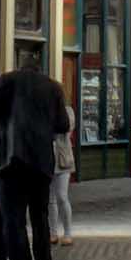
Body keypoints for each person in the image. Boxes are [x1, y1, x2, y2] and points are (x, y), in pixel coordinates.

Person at [0, 54, 70, 260]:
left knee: (14, 222)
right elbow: (63, 124)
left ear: (19, 66)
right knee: (40, 220)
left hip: (10, 162)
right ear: (40, 68)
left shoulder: (6, 81)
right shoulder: (53, 87)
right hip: (40, 163)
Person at [49, 102, 76, 247]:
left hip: (63, 159)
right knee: (50, 199)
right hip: (46, 159)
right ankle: (53, 233)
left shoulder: (67, 111)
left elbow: (67, 126)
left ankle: (67, 233)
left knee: (62, 196)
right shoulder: (43, 108)